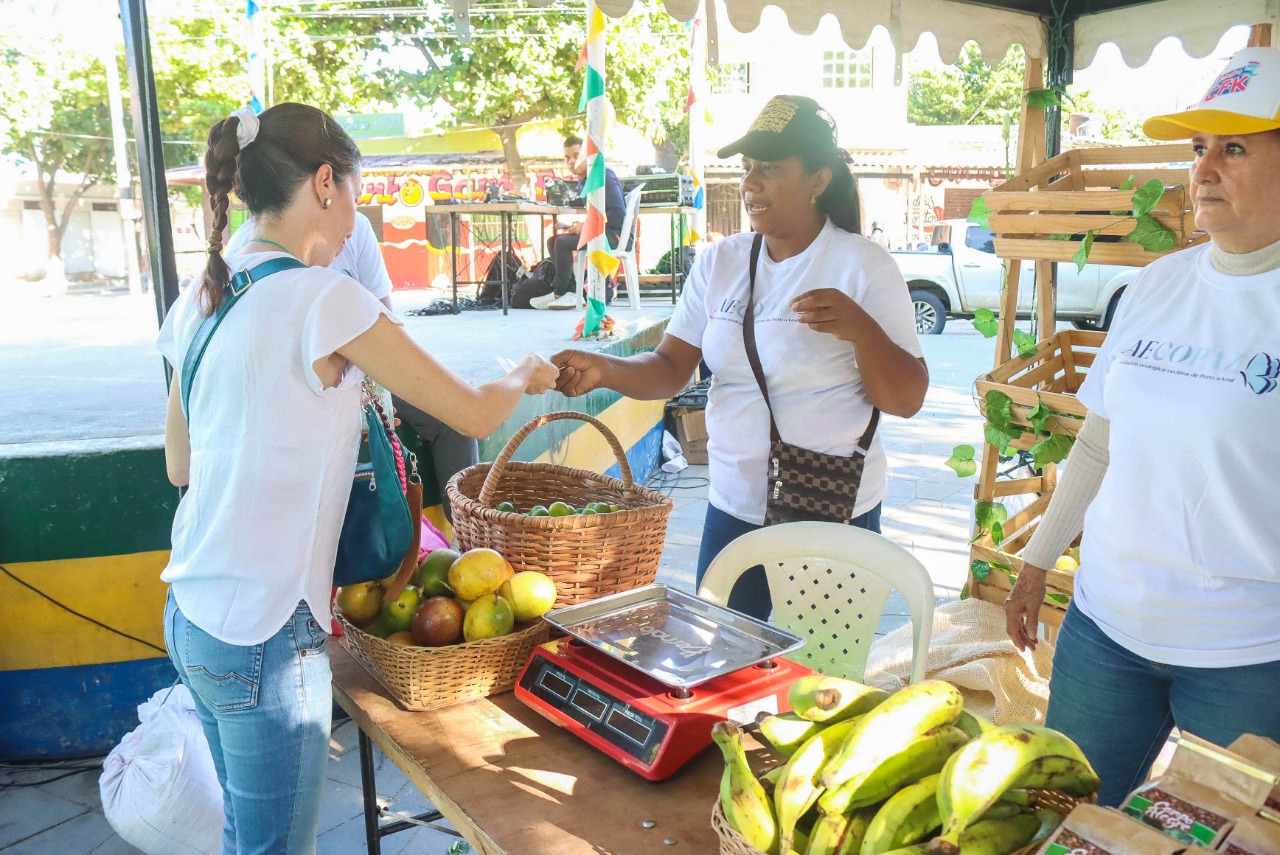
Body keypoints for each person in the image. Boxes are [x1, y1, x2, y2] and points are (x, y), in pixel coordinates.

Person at [157, 102, 558, 854]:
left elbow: (180, 463)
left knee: (248, 838)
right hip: (266, 634)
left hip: (192, 615)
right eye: (354, 195)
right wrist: (526, 372)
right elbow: (470, 413)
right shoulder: (325, 297)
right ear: (322, 183)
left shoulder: (203, 294)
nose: (355, 221)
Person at [1004, 45, 1280, 808]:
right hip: (1105, 632)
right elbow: (1100, 440)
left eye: (1234, 148)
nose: (1204, 170)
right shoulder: (1157, 285)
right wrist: (1036, 563)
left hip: (1248, 656)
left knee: (1230, 835)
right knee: (1065, 825)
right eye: (1198, 148)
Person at [552, 95, 928, 620]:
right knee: (721, 660)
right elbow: (670, 368)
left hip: (831, 507)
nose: (749, 182)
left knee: (821, 677)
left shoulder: (863, 267)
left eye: (769, 169)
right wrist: (605, 370)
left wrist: (862, 332)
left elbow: (906, 398)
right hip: (733, 505)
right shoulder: (720, 263)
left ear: (819, 179)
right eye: (747, 168)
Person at [232, 210, 480, 522]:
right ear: (324, 183)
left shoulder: (354, 229)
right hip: (296, 394)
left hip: (365, 375)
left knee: (451, 413)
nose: (353, 213)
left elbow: (387, 336)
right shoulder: (250, 257)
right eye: (354, 190)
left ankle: (470, 539)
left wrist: (373, 398)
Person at [531, 134, 625, 310]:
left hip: (614, 235)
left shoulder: (604, 176)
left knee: (562, 243)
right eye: (567, 158)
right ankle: (573, 291)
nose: (571, 162)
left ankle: (560, 293)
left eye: (576, 155)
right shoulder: (584, 181)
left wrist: (587, 228)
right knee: (554, 240)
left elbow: (619, 215)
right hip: (600, 232)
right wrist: (577, 227)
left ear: (588, 155)